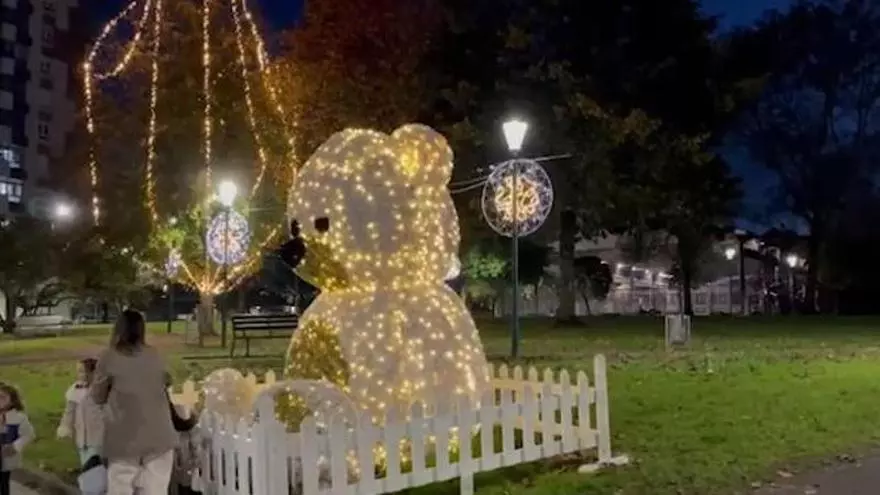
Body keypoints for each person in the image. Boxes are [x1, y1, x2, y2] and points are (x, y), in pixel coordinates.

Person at [91, 309, 178, 495]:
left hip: (124, 437)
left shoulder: (109, 357)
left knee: (120, 486)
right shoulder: (154, 354)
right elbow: (167, 380)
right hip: (159, 434)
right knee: (156, 489)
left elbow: (97, 395)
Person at [57, 358, 105, 464]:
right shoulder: (75, 389)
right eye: (78, 371)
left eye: (82, 371)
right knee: (86, 466)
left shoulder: (101, 390)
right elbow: (69, 411)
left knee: (95, 467)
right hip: (82, 438)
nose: (79, 375)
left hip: (98, 436)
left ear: (93, 372)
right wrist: (65, 426)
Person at [0, 383, 35, 495]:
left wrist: (15, 446)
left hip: (6, 454)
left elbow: (29, 435)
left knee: (4, 481)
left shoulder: (19, 418)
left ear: (12, 400)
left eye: (2, 397)